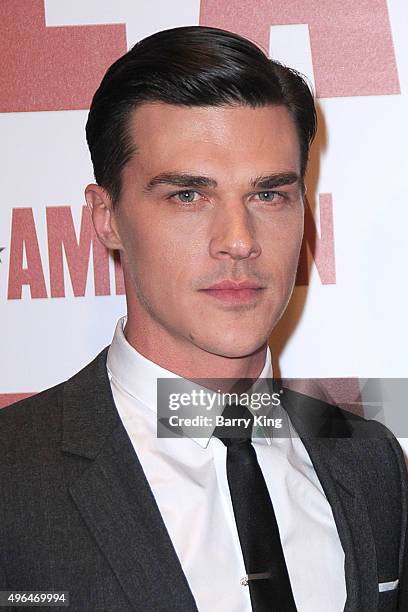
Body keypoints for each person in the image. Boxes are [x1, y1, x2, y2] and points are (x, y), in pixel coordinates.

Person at [0, 26, 406, 612]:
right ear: (106, 216)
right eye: (188, 195)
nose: (239, 241)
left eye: (269, 194)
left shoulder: (370, 463)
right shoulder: (12, 478)